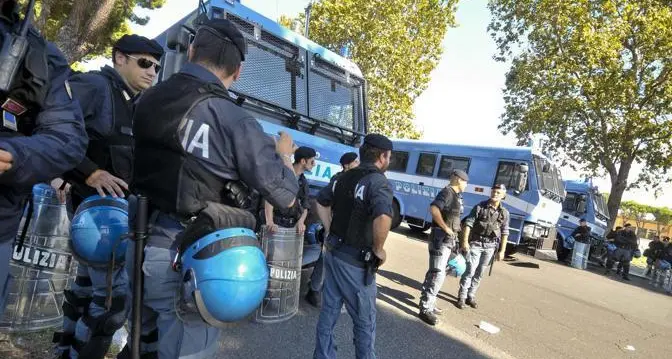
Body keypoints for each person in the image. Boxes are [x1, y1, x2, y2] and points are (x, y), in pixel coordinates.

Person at [121, 18, 299, 359]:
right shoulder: (233, 119)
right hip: (188, 261)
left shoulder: (147, 99)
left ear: (191, 52)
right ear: (238, 71)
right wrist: (285, 158)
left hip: (136, 243)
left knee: (140, 347)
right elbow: (286, 197)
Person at [50, 35, 164, 359]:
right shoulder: (97, 87)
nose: (152, 71)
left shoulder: (130, 101)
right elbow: (55, 123)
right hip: (96, 221)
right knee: (112, 304)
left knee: (85, 291)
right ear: (119, 58)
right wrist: (86, 171)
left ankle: (63, 351)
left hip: (109, 223)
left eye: (156, 67)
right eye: (144, 63)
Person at [0, 0, 86, 321]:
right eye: (145, 63)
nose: (152, 71)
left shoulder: (41, 53)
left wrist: (14, 156)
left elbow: (69, 138)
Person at [313, 134, 393, 359]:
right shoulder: (377, 182)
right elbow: (384, 216)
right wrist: (379, 249)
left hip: (334, 254)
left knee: (328, 314)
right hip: (356, 264)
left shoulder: (343, 178)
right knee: (364, 322)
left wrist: (329, 230)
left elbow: (321, 201)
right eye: (389, 157)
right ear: (382, 156)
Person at [305, 151, 359, 307]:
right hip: (334, 224)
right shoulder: (338, 180)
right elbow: (325, 202)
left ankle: (329, 289)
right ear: (346, 165)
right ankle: (314, 289)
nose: (358, 164)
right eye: (355, 162)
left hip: (349, 227)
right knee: (325, 256)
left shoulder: (357, 180)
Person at [418, 169, 468, 325]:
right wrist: (446, 228)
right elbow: (434, 209)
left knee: (439, 273)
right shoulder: (447, 193)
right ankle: (425, 309)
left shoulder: (457, 196)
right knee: (436, 273)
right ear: (458, 180)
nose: (466, 185)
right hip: (440, 239)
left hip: (448, 242)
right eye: (465, 181)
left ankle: (430, 303)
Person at [457, 184, 510, 309]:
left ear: (503, 195)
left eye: (498, 192)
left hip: (490, 246)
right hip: (476, 243)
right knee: (470, 270)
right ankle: (462, 297)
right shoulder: (480, 207)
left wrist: (502, 251)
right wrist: (464, 242)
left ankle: (471, 296)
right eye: (493, 192)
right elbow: (468, 224)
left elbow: (505, 232)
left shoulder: (505, 213)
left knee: (480, 273)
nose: (495, 194)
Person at [264, 146, 316, 234]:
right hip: (273, 226)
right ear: (303, 161)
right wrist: (270, 222)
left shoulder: (303, 182)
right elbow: (269, 198)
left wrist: (301, 222)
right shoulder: (281, 174)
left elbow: (305, 205)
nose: (314, 164)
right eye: (312, 161)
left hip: (290, 227)